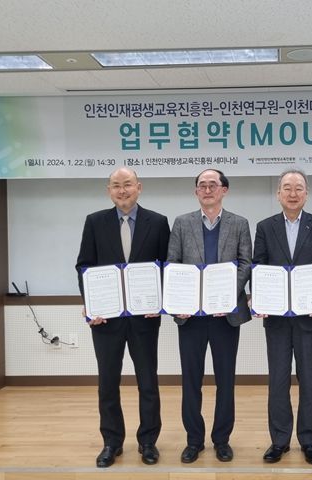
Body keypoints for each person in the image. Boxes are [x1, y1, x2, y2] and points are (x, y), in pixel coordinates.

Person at [75, 167, 170, 468]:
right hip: (106, 320)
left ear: (139, 187)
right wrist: (91, 304)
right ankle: (111, 442)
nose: (122, 190)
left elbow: (167, 267)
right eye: (116, 185)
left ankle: (148, 442)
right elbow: (84, 266)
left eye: (127, 184)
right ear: (109, 191)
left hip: (145, 318)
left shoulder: (158, 222)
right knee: (107, 383)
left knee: (148, 382)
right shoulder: (95, 222)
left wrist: (162, 302)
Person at [252, 169, 312, 465]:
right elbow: (259, 266)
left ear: (306, 194)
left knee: (310, 380)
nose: (292, 193)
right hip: (276, 319)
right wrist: (259, 297)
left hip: (310, 318)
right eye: (287, 188)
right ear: (278, 193)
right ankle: (279, 440)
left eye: (298, 188)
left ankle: (309, 441)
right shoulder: (265, 227)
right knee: (277, 380)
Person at [167, 168, 252, 464]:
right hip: (190, 317)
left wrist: (226, 295)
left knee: (225, 381)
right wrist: (179, 301)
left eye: (212, 185)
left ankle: (222, 439)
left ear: (224, 190)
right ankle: (194, 440)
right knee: (191, 380)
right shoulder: (182, 223)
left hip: (225, 316)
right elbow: (173, 264)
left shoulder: (239, 223)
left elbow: (246, 263)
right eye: (201, 185)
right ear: (196, 192)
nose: (207, 190)